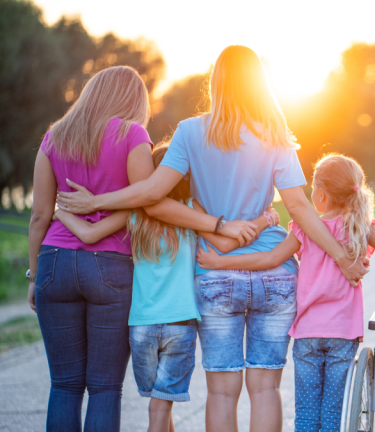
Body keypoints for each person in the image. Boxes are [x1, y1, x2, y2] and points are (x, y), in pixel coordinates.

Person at [55, 46, 368, 432]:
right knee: (266, 388)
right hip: (275, 276)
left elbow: (154, 195)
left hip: (217, 276)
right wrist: (342, 256)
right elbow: (301, 208)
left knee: (222, 392)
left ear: (216, 82)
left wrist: (97, 201)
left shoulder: (189, 132)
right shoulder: (275, 136)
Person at [27, 66, 251, 432]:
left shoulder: (54, 136)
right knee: (103, 388)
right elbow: (146, 201)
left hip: (54, 261)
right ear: (133, 101)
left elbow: (40, 215)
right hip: (110, 267)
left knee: (64, 385)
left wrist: (35, 276)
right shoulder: (133, 135)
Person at [197, 154, 375, 432]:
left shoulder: (305, 229)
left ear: (320, 195)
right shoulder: (361, 228)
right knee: (333, 413)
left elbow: (269, 260)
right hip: (343, 335)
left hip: (308, 333)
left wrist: (219, 262)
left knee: (307, 415)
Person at [52, 142, 278, 432]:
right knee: (160, 407)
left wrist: (58, 212)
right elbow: (224, 241)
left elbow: (89, 232)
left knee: (160, 405)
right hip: (180, 324)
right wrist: (267, 218)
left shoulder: (135, 215)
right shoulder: (191, 213)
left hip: (141, 327)